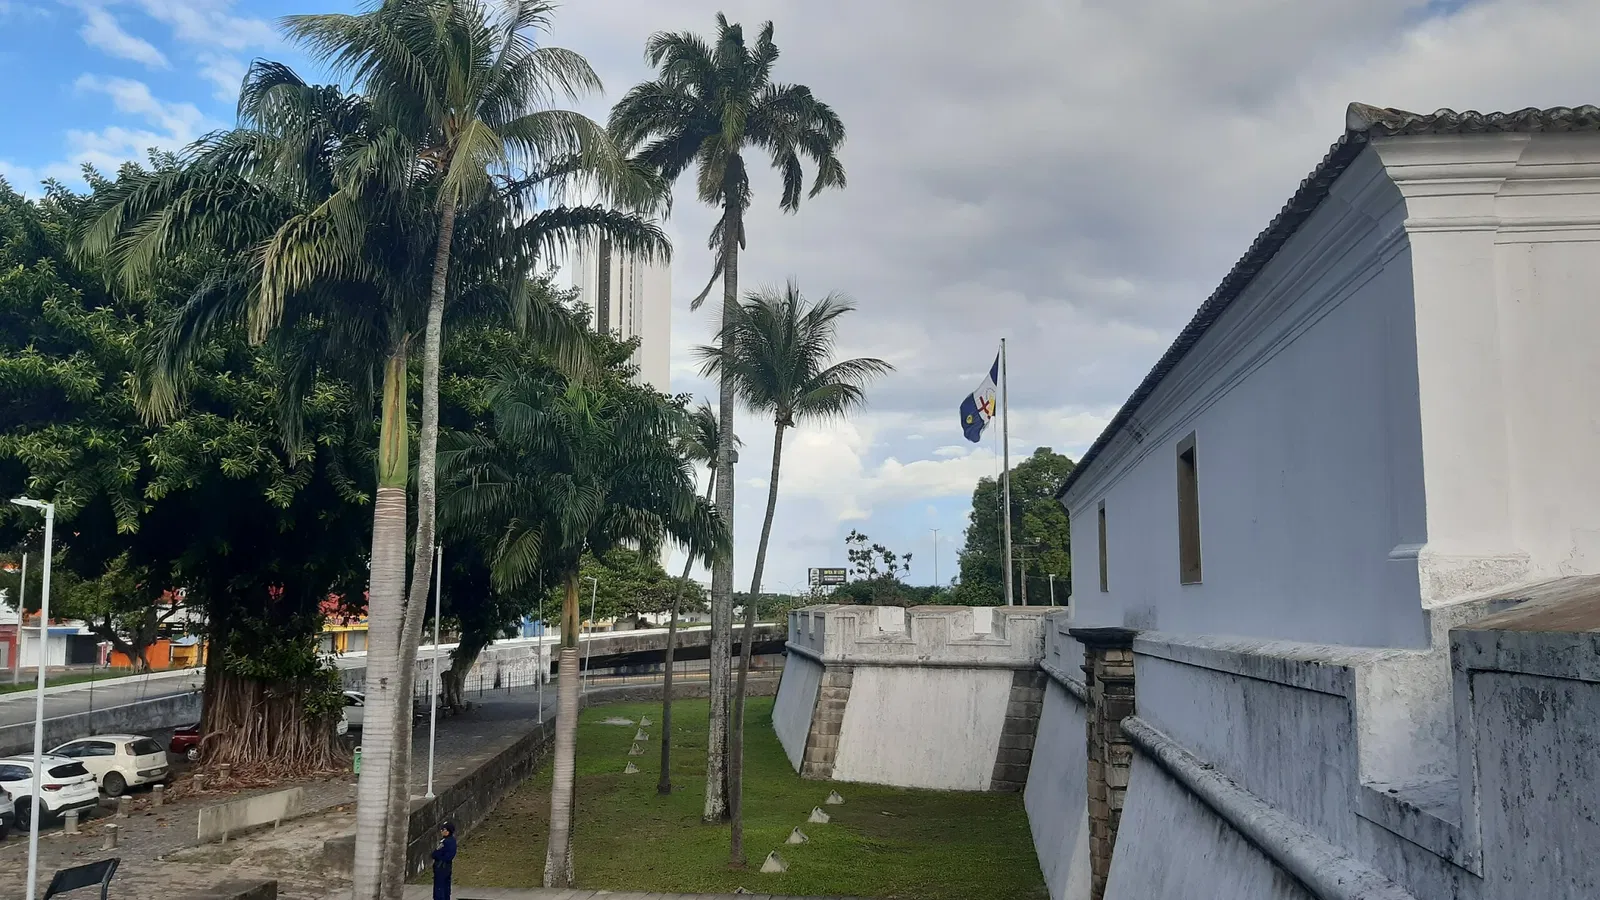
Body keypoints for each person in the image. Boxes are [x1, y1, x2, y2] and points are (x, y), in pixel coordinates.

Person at [432, 821, 457, 900]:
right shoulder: (453, 841)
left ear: (448, 831)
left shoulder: (445, 842)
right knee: (446, 887)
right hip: (447, 866)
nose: (441, 831)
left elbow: (436, 853)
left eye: (443, 829)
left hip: (441, 866)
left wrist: (436, 855)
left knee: (439, 888)